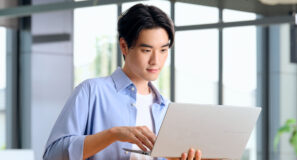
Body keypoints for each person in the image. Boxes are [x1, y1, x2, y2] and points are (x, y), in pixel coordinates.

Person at [43, 3, 216, 160]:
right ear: (124, 46)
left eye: (163, 50)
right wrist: (113, 134)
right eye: (147, 50)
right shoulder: (91, 92)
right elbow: (52, 155)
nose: (156, 60)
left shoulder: (166, 109)